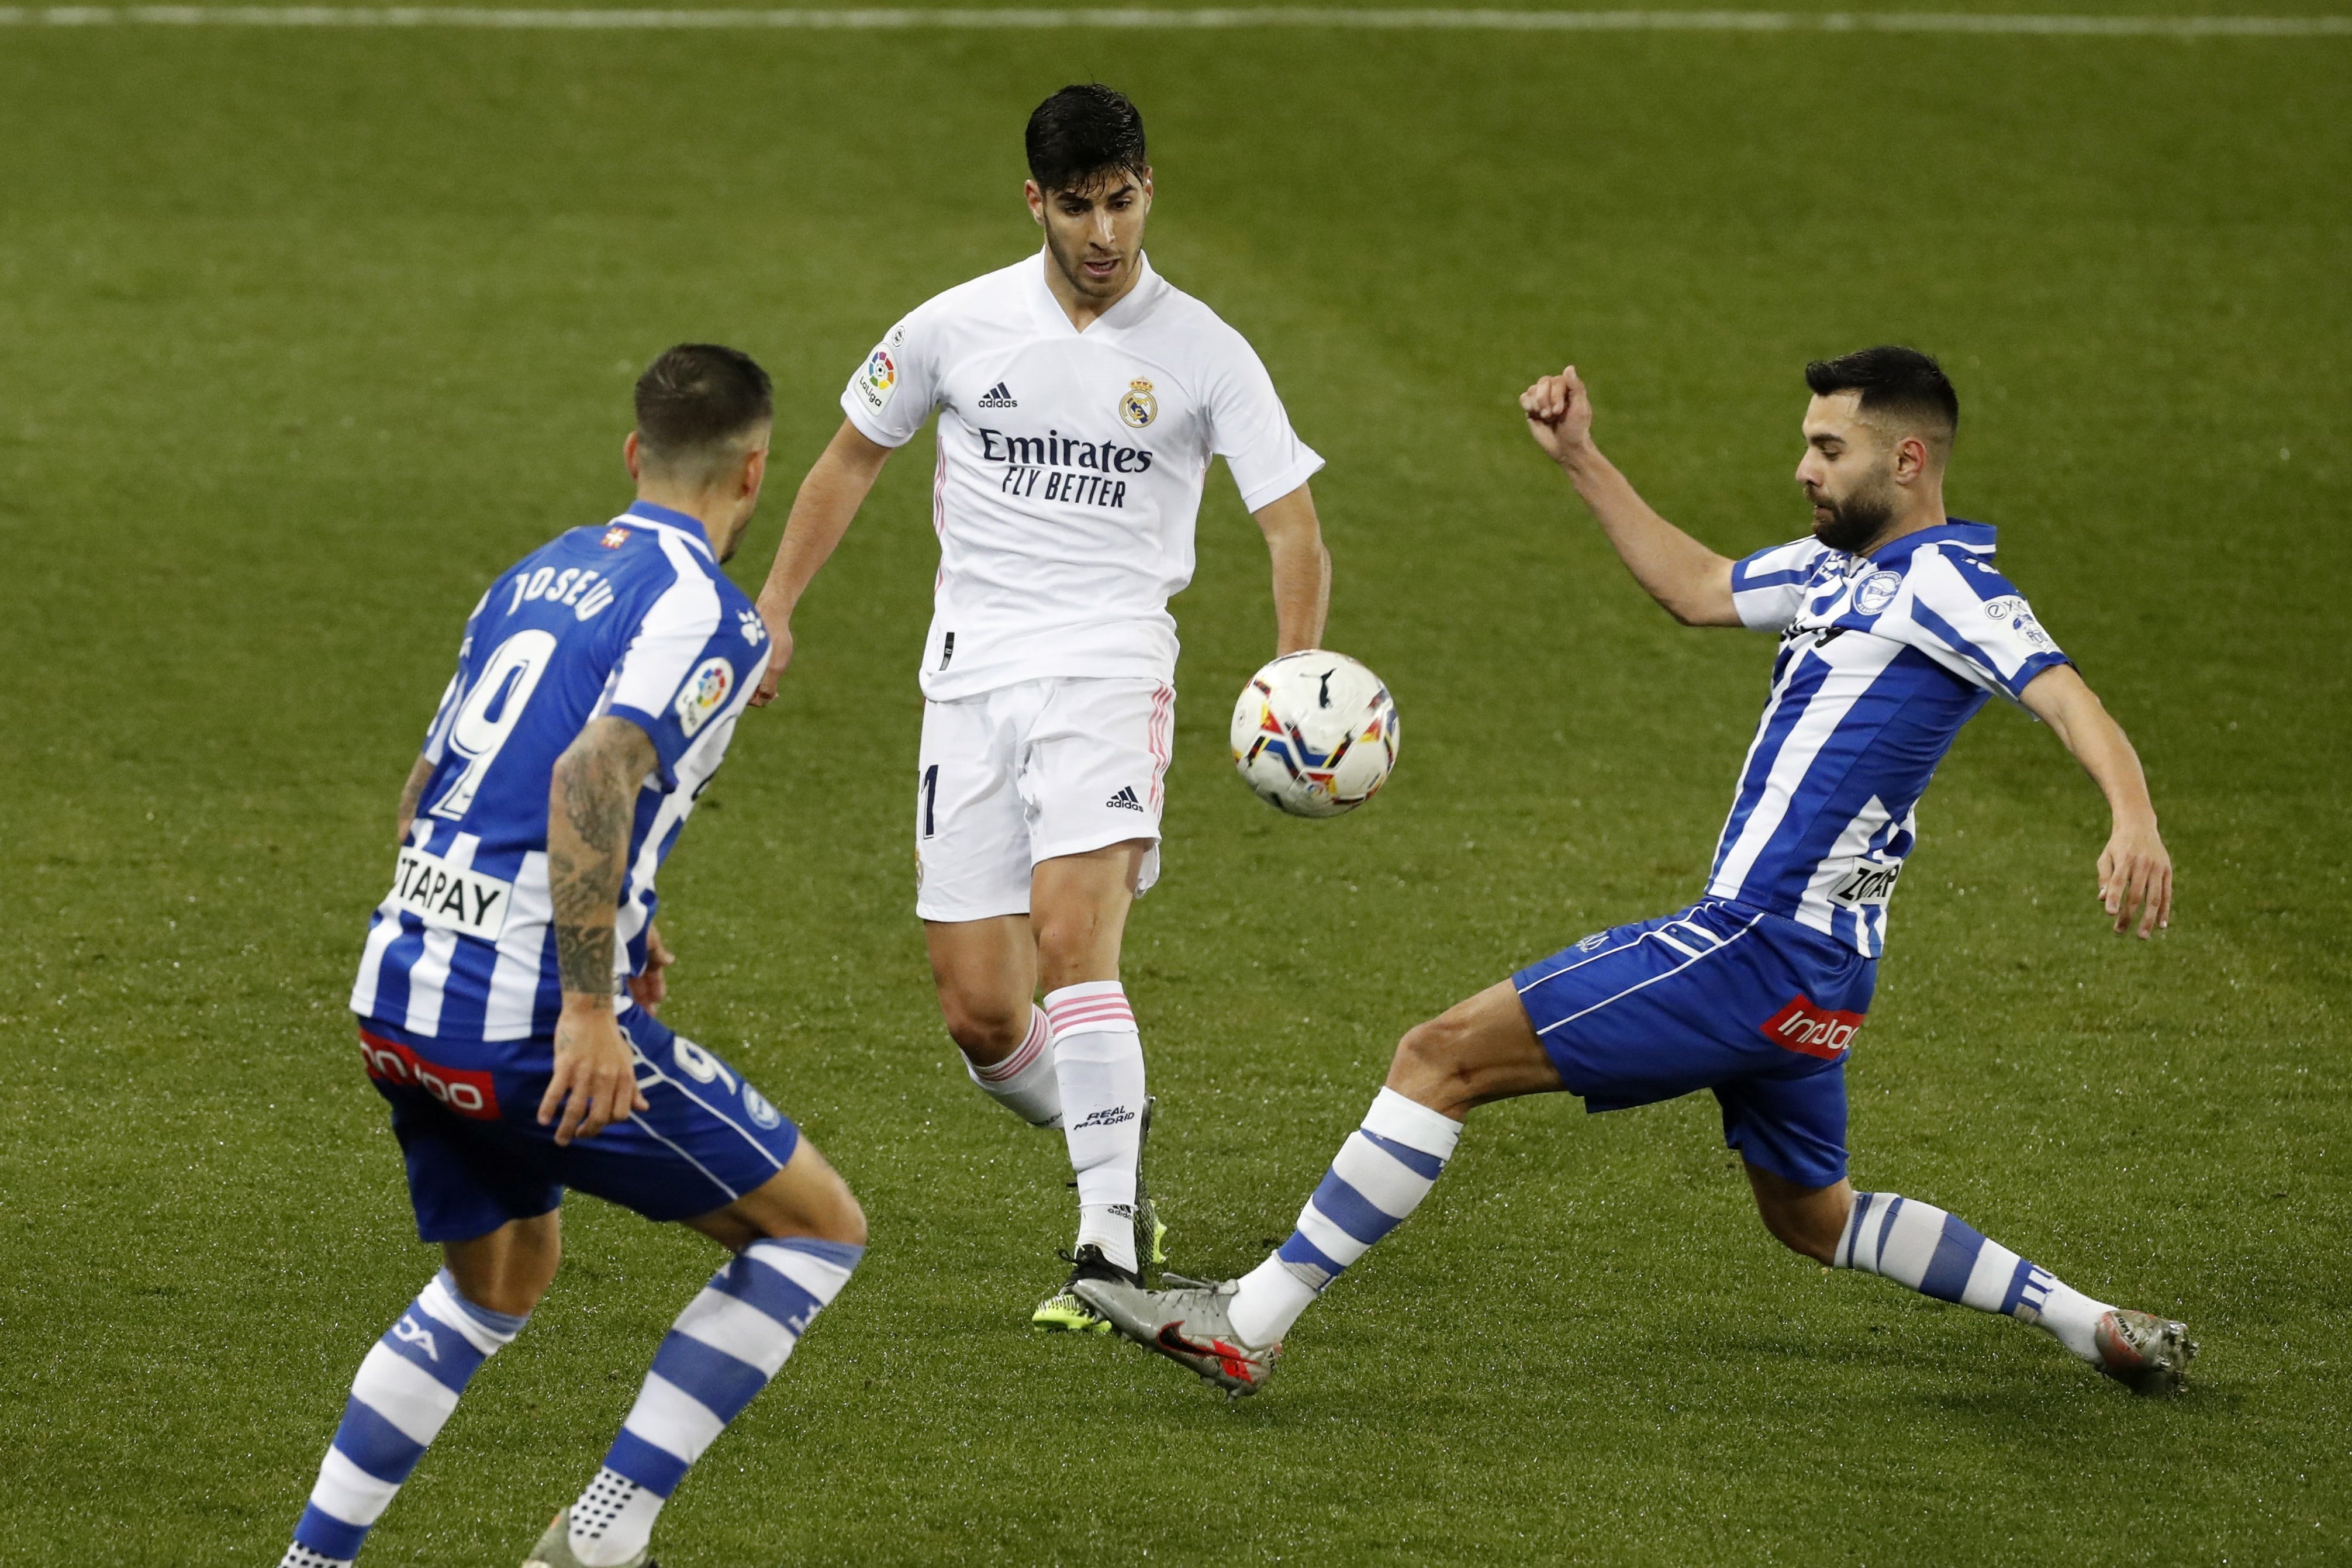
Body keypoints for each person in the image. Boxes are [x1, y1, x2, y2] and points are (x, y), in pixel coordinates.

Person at [1076, 347, 2198, 1397]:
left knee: (1439, 1056)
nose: (1804, 469)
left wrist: (2132, 817)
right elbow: (1700, 586)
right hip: (1820, 978)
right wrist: (1582, 460)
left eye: (1830, 450)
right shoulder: (1836, 569)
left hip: (1756, 946)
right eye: (1806, 444)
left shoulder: (1952, 584)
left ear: (1910, 460)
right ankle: (2083, 1318)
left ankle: (1249, 1320)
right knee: (1814, 1218)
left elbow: (2062, 692)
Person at [749, 84, 1332, 1331]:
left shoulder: (1206, 349)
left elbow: (1290, 524)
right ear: (1037, 203)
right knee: (979, 1009)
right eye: (1077, 207)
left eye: (1121, 201)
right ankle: (1106, 1134)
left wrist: (1295, 669)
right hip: (966, 677)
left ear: (1146, 189)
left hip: (1112, 666)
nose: (1103, 232)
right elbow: (854, 449)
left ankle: (1107, 1251)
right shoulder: (958, 327)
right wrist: (778, 605)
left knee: (1074, 938)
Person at [279, 346, 866, 1568]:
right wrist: (589, 1009)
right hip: (518, 1020)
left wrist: (628, 931)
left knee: (500, 1278)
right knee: (814, 1229)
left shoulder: (533, 575)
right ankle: (606, 1534)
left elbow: (426, 791)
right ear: (754, 472)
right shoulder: (704, 609)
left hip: (396, 997)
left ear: (631, 454)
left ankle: (311, 1563)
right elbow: (590, 773)